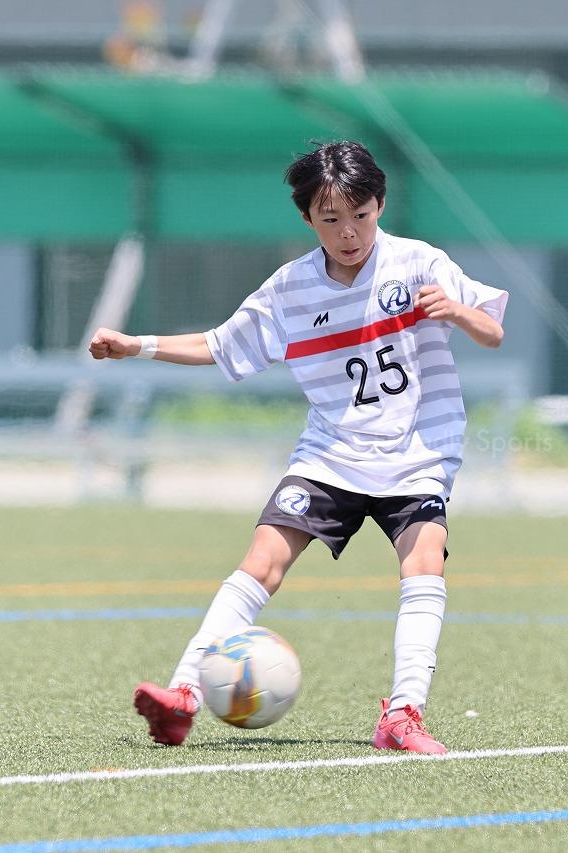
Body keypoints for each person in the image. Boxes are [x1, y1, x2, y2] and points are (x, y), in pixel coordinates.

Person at [89, 140, 507, 754]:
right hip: (331, 455)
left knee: (424, 563)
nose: (349, 233)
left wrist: (460, 312)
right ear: (307, 218)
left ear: (380, 205)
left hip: (417, 454)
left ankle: (402, 715)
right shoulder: (289, 290)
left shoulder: (420, 264)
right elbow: (219, 346)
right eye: (330, 218)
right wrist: (137, 346)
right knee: (262, 559)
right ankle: (183, 697)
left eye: (361, 215)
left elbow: (493, 331)